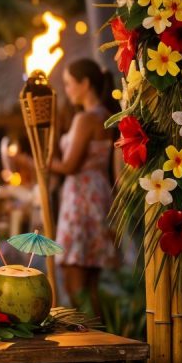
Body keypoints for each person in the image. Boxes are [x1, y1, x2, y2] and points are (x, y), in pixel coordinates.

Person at [49, 59, 117, 316]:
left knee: (73, 277)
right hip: (98, 195)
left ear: (85, 84)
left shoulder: (86, 119)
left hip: (80, 198)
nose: (66, 89)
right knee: (91, 283)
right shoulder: (107, 116)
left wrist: (28, 161)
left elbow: (69, 166)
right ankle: (102, 338)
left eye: (68, 84)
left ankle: (86, 340)